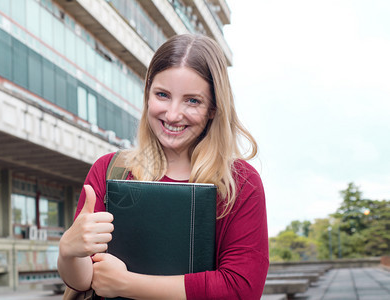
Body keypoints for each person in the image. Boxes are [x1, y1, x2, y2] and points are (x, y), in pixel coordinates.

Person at [58, 34, 269, 299]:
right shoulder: (110, 169)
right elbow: (84, 281)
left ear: (213, 108)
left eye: (192, 100)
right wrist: (69, 250)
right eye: (162, 95)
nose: (172, 114)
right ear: (148, 94)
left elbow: (241, 289)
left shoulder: (240, 182)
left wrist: (128, 284)